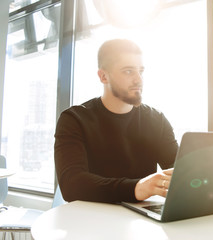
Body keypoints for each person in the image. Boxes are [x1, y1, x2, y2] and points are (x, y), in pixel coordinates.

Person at [54, 39, 179, 203]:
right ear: (103, 76)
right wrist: (137, 188)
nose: (139, 80)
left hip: (140, 219)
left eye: (140, 71)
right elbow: (72, 185)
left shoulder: (157, 120)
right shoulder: (74, 120)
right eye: (128, 71)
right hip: (89, 221)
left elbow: (180, 173)